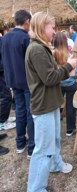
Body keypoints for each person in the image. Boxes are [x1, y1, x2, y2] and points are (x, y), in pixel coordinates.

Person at [25, 12, 77, 192]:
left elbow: (49, 72)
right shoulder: (37, 49)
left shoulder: (42, 46)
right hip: (43, 105)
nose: (55, 32)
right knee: (42, 150)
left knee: (54, 139)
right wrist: (68, 66)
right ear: (42, 27)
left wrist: (63, 65)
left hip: (51, 103)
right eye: (52, 28)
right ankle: (36, 188)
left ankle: (55, 164)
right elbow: (49, 78)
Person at [1, 10, 34, 158]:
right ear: (26, 21)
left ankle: (20, 143)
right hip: (26, 81)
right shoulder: (25, 38)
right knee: (30, 112)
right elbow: (31, 62)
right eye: (30, 22)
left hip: (13, 80)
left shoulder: (5, 38)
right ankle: (32, 147)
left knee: (20, 111)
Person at [53, 31, 77, 136]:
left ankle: (55, 128)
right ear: (65, 41)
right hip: (70, 84)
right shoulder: (70, 55)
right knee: (70, 107)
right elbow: (75, 72)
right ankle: (70, 129)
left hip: (58, 84)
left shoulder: (51, 54)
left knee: (56, 106)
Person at [0, 36, 15, 131]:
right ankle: (2, 122)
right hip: (0, 71)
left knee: (5, 96)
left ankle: (4, 118)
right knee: (6, 96)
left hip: (2, 70)